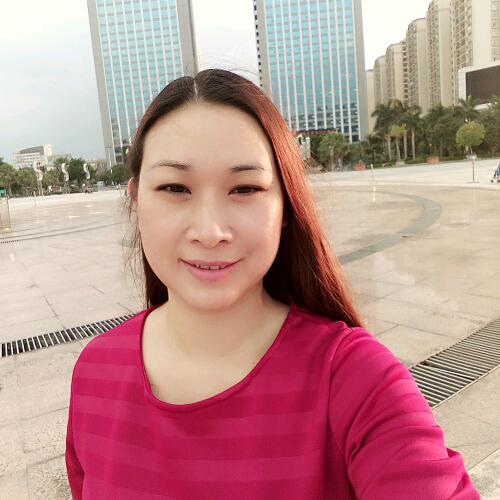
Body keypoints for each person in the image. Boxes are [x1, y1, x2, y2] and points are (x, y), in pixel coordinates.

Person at [65, 69, 480, 499]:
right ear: (136, 200)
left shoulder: (354, 379)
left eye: (245, 189)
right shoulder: (96, 371)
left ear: (285, 205)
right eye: (175, 187)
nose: (210, 231)